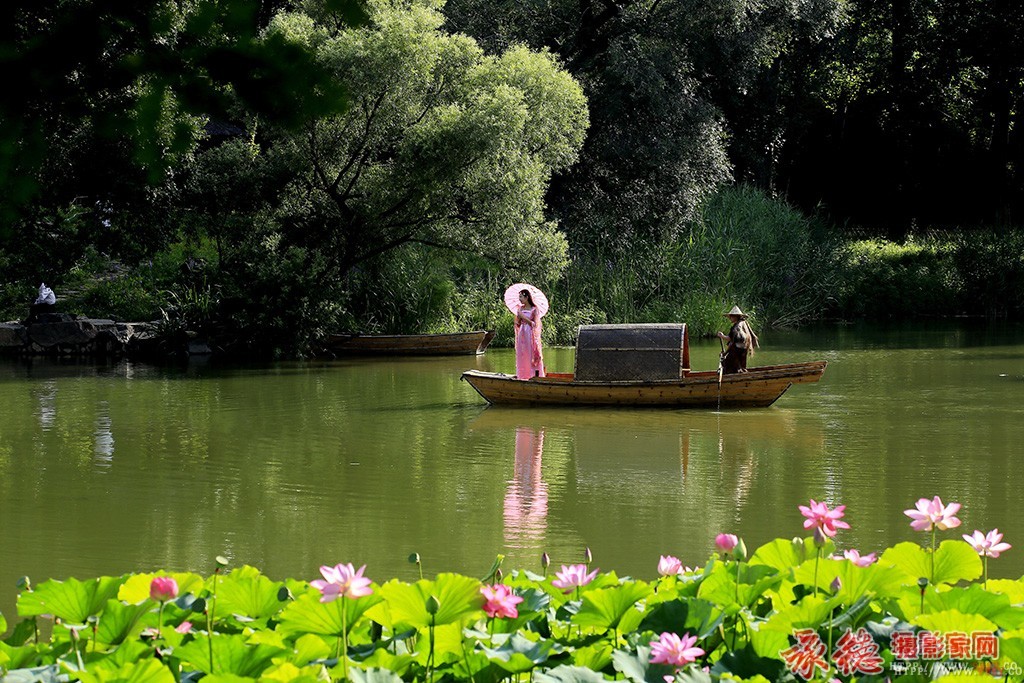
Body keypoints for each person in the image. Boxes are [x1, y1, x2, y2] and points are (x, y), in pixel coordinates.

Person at [716, 305, 759, 374]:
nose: (730, 318)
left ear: (736, 316)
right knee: (740, 367)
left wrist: (722, 336)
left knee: (728, 365)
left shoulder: (737, 327)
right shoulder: (742, 323)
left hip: (738, 350)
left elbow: (732, 339)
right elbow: (733, 341)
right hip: (742, 350)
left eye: (731, 316)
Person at [513, 288, 545, 379]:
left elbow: (534, 324)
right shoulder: (520, 309)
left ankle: (533, 376)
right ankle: (522, 376)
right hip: (522, 333)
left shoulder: (534, 310)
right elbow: (518, 324)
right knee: (522, 354)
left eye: (521, 297)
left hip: (530, 334)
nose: (520, 299)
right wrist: (517, 319)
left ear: (526, 297)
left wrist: (524, 317)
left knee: (530, 354)